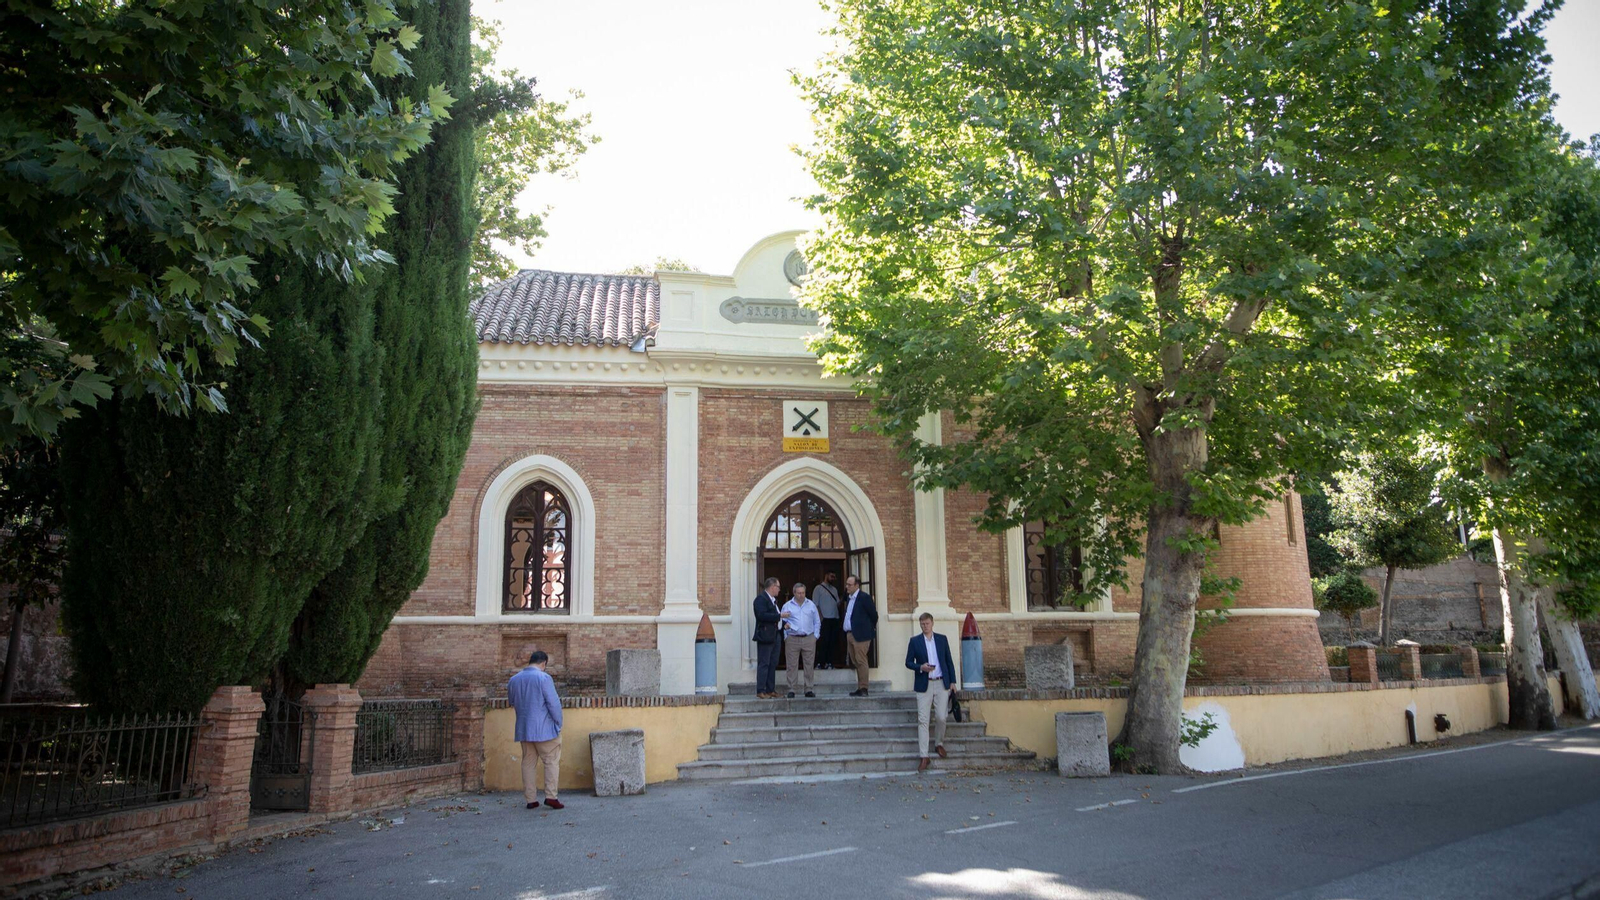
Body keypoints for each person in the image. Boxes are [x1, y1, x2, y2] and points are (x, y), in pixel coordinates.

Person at [508, 650, 565, 809]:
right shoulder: (544, 678)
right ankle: (551, 796)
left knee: (527, 763)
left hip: (524, 729)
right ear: (544, 663)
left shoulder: (513, 680)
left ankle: (531, 799)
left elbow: (512, 702)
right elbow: (553, 704)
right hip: (545, 729)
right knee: (551, 762)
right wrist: (558, 723)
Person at [905, 612, 957, 772]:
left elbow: (949, 661)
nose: (924, 626)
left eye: (927, 623)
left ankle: (939, 743)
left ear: (932, 623)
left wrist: (953, 682)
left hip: (941, 682)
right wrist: (921, 667)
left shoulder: (942, 639)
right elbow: (908, 662)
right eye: (922, 624)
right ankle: (924, 756)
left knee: (941, 717)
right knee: (923, 720)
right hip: (924, 684)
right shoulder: (915, 641)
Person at [780, 582, 821, 698]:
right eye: (798, 593)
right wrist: (786, 635)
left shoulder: (811, 605)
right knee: (792, 665)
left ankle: (808, 688)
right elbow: (781, 621)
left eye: (803, 593)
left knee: (809, 664)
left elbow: (817, 621)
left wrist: (815, 636)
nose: (801, 595)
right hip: (792, 638)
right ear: (794, 593)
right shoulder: (787, 605)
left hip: (808, 638)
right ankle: (791, 688)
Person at [841, 574, 878, 696]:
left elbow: (874, 615)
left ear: (857, 585)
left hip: (861, 635)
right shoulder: (849, 597)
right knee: (855, 660)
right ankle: (860, 686)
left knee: (861, 660)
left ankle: (864, 688)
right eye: (846, 584)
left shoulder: (864, 597)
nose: (847, 587)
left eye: (849, 584)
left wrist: (867, 628)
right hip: (850, 634)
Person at [752, 576, 783, 699]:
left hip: (775, 635)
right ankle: (761, 690)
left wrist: (784, 624)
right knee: (764, 663)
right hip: (765, 635)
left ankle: (771, 689)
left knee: (773, 663)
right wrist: (779, 616)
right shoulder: (761, 599)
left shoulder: (773, 600)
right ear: (772, 587)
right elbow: (761, 615)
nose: (779, 590)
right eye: (778, 587)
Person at [812, 571, 843, 668]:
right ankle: (820, 663)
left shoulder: (834, 589)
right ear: (826, 575)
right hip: (824, 619)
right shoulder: (818, 588)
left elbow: (838, 603)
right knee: (823, 642)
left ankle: (830, 662)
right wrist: (820, 618)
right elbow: (815, 605)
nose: (833, 578)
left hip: (834, 618)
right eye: (831, 576)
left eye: (834, 577)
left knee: (832, 642)